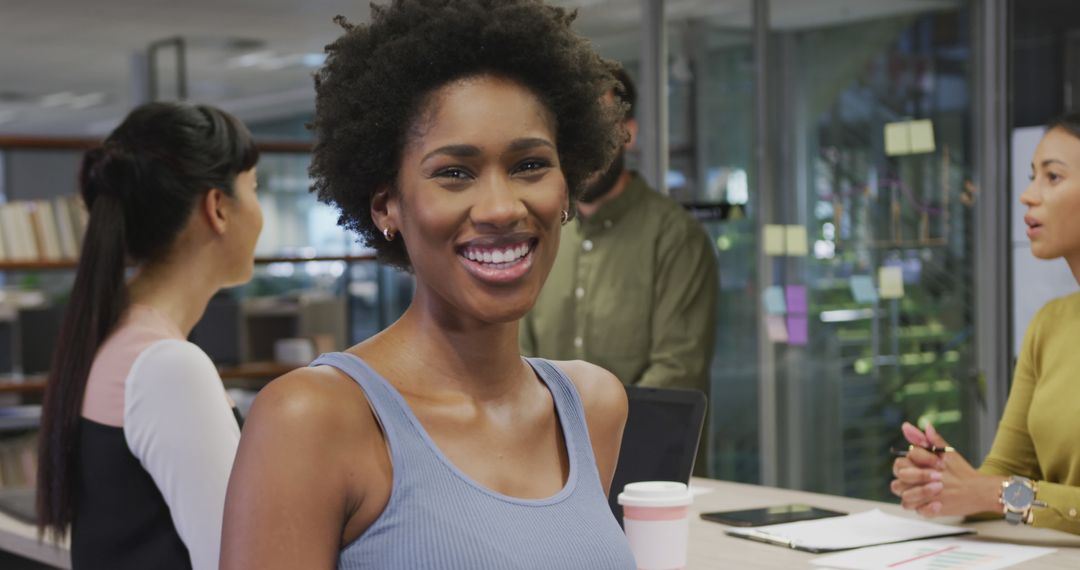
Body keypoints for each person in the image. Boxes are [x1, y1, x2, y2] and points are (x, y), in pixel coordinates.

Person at [219, 1, 634, 568]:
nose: (499, 207)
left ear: (567, 188)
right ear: (388, 205)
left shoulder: (591, 406)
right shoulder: (314, 418)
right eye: (454, 173)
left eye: (530, 165)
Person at [36, 102, 262, 569]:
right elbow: (236, 560)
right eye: (254, 189)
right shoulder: (166, 366)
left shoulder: (114, 334)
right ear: (217, 208)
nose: (260, 214)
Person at [890, 112, 1080, 535]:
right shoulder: (1049, 325)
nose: (1028, 195)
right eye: (1033, 176)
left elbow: (1002, 490)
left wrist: (995, 493)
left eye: (1052, 177)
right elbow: (1005, 472)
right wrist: (944, 483)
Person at [520, 67, 718, 395]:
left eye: (598, 130)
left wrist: (586, 435)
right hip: (547, 446)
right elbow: (519, 360)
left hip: (641, 445)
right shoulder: (541, 234)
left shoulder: (677, 238)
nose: (584, 151)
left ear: (629, 133)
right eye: (573, 135)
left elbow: (676, 373)